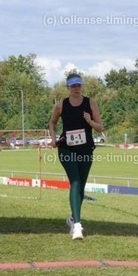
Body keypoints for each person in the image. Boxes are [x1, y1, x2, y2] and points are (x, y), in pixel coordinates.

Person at [48, 73, 103, 240]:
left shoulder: (90, 103)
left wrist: (89, 121)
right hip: (67, 149)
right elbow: (52, 122)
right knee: (75, 182)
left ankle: (73, 218)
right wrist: (53, 139)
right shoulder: (61, 105)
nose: (76, 88)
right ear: (68, 88)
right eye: (73, 86)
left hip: (85, 150)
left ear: (81, 86)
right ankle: (78, 226)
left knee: (81, 185)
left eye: (78, 85)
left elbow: (100, 127)